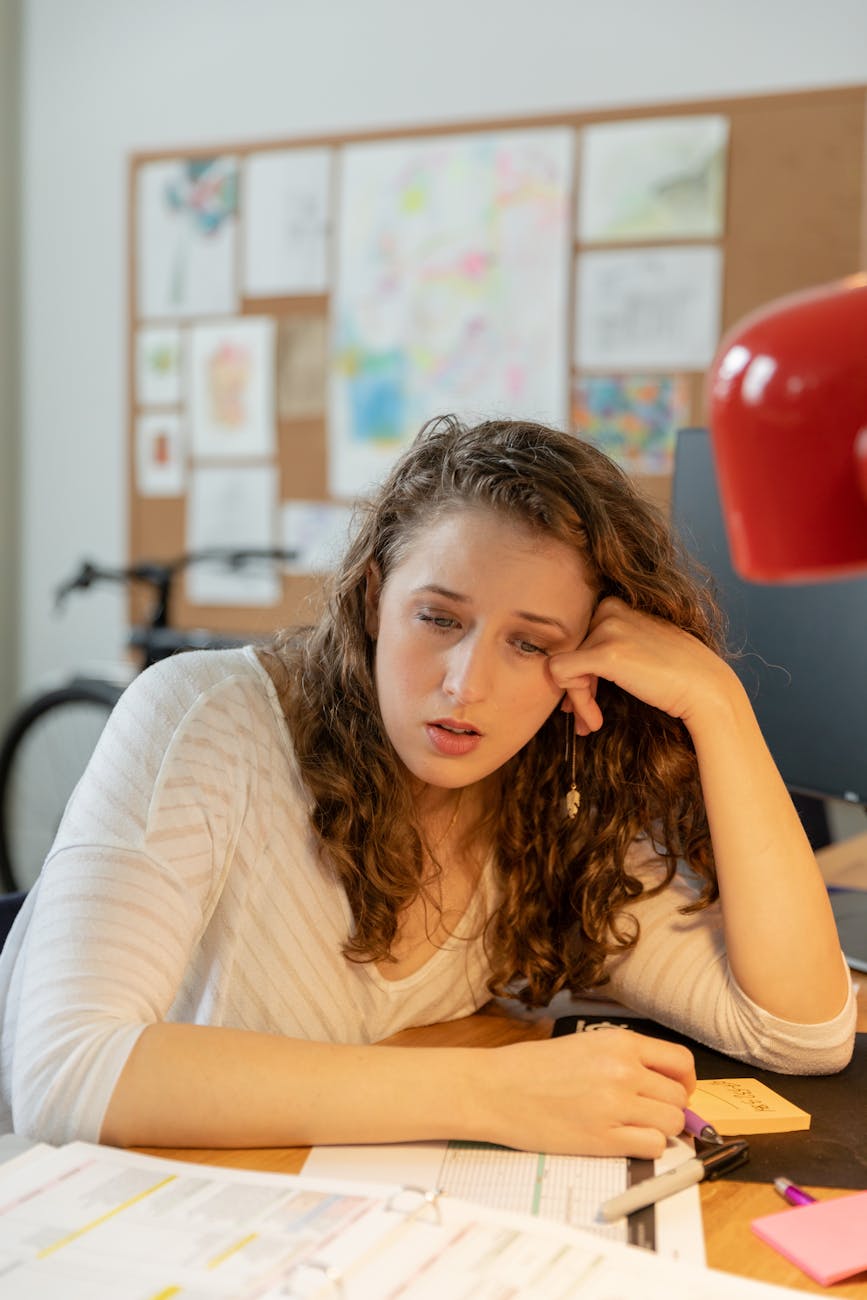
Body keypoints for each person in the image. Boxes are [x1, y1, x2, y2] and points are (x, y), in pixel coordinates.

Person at [0, 416, 855, 1157]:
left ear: (585, 660)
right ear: (375, 598)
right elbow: (65, 1072)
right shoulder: (204, 717)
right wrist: (491, 1092)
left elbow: (800, 1030)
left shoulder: (545, 805)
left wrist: (718, 704)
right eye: (439, 619)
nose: (463, 684)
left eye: (529, 643)